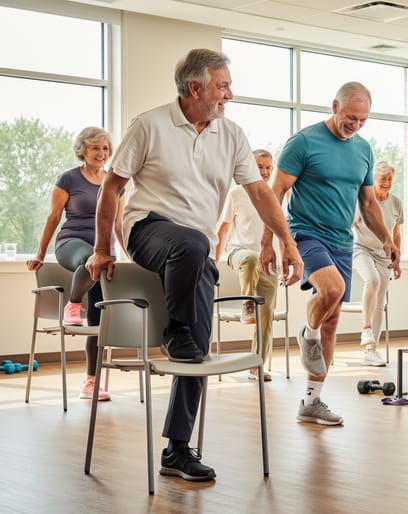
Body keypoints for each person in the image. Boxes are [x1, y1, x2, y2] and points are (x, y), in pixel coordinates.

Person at [86, 48, 302, 482]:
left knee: (198, 344)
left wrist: (287, 242)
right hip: (148, 228)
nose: (230, 94)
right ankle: (175, 332)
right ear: (195, 87)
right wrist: (103, 247)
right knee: (192, 245)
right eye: (223, 86)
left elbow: (260, 193)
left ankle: (177, 448)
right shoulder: (149, 125)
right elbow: (112, 186)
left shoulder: (232, 134)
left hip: (193, 252)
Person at [261, 81, 399, 427]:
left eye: (362, 120)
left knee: (334, 321)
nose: (354, 125)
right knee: (332, 289)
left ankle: (312, 401)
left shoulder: (363, 150)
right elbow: (274, 193)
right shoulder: (304, 142)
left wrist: (386, 238)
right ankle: (306, 333)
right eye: (350, 117)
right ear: (334, 106)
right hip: (304, 233)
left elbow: (367, 203)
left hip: (341, 239)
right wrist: (270, 242)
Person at [26, 127, 123, 402]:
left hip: (104, 257)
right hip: (72, 244)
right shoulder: (69, 178)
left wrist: (130, 254)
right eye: (95, 148)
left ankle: (91, 382)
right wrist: (40, 253)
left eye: (105, 148)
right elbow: (53, 217)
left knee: (99, 322)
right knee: (88, 259)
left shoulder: (115, 182)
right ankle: (73, 303)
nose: (101, 153)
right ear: (83, 150)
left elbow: (118, 225)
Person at [214, 149, 279, 381]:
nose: (264, 171)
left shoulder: (277, 194)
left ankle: (257, 365)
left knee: (266, 314)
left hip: (269, 261)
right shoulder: (237, 193)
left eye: (268, 167)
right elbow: (223, 229)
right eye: (259, 166)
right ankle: (246, 304)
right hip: (238, 252)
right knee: (250, 257)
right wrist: (214, 261)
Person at [352, 160, 403, 367]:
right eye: (383, 178)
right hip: (361, 249)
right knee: (371, 280)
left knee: (380, 304)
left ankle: (371, 351)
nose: (387, 182)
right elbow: (350, 223)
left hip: (384, 255)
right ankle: (366, 329)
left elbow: (396, 233)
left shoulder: (396, 202)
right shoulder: (363, 199)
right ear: (374, 179)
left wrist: (396, 258)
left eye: (390, 178)